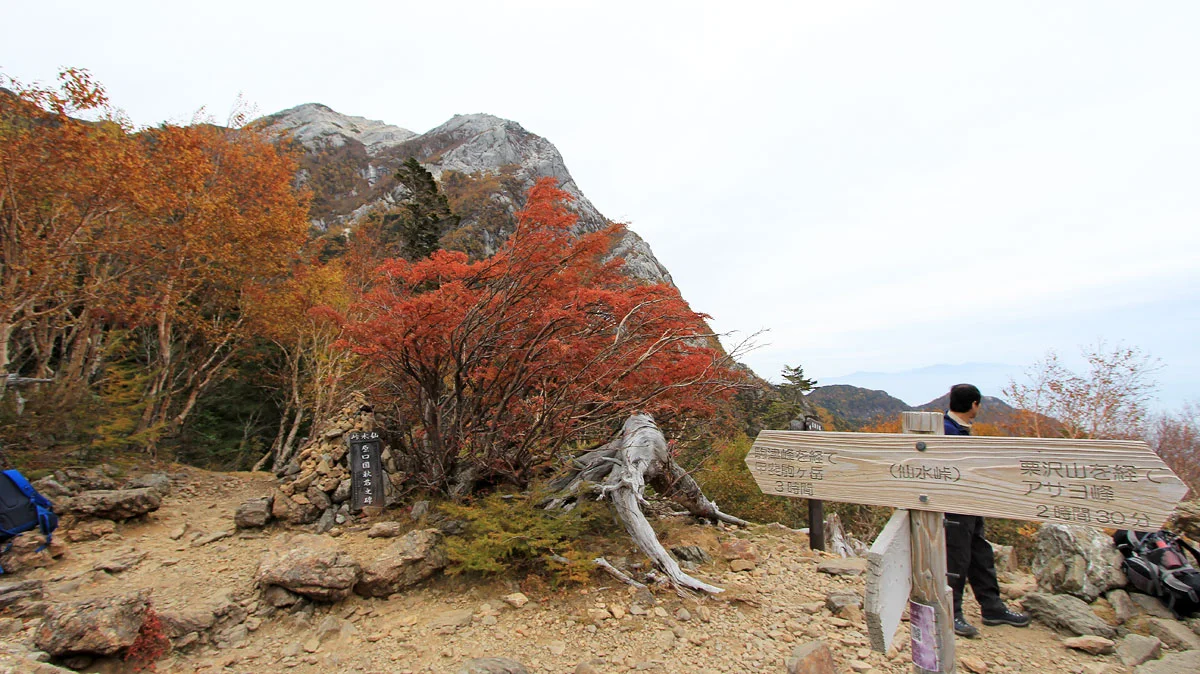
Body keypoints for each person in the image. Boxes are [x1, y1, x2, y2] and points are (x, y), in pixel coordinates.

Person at [944, 383, 1031, 638]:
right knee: (957, 559)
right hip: (954, 507)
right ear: (974, 405)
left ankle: (992, 607)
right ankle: (953, 611)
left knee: (980, 553)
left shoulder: (953, 428)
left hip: (970, 505)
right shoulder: (948, 431)